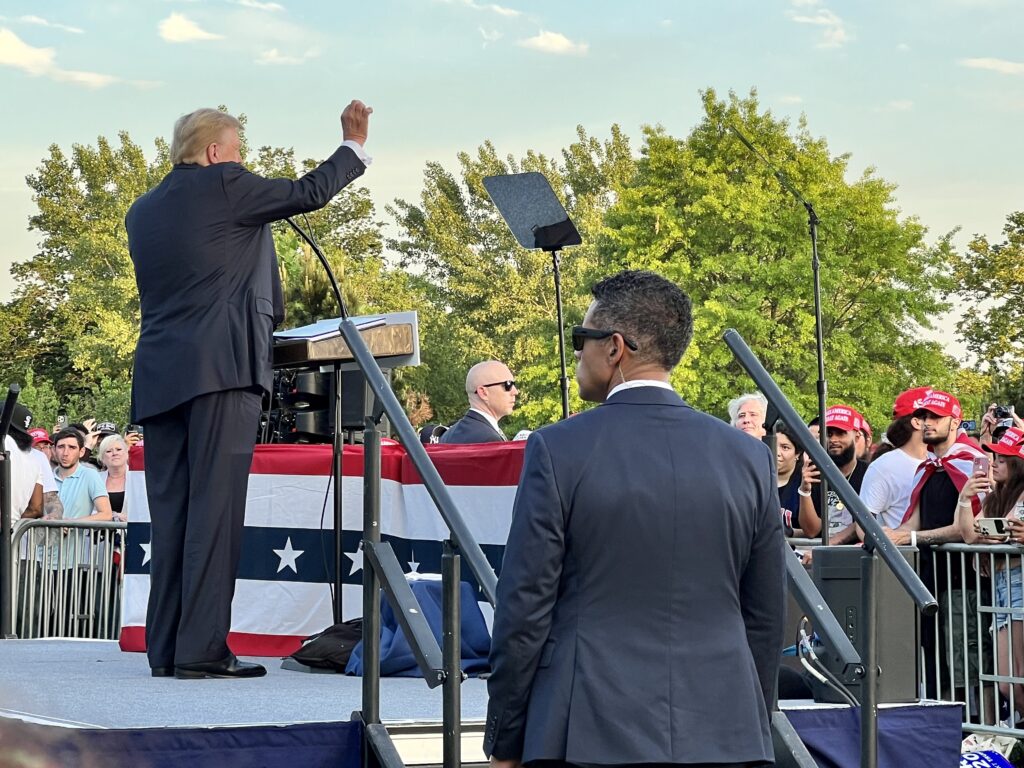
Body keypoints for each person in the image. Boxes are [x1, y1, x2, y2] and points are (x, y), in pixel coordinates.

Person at [484, 270, 785, 768]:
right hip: (726, 727)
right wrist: (752, 718)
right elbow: (765, 611)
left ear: (615, 347)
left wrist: (506, 737)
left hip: (585, 729)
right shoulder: (747, 457)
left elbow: (524, 607)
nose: (576, 353)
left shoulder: (557, 449)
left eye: (581, 339)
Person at [125, 100, 372, 680]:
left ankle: (168, 650)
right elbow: (308, 192)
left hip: (161, 377)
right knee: (214, 514)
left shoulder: (143, 210)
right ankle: (204, 651)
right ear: (215, 153)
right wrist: (353, 147)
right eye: (238, 151)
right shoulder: (225, 185)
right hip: (224, 370)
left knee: (174, 518)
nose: (243, 162)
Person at [886, 390, 992, 707]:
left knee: (972, 666)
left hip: (966, 583)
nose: (926, 424)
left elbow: (968, 528)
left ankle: (984, 735)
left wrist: (913, 539)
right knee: (940, 666)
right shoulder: (929, 468)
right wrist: (886, 535)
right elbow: (911, 524)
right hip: (933, 583)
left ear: (955, 421)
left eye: (935, 417)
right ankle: (944, 729)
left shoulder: (972, 464)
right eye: (923, 417)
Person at [959, 427, 1024, 722]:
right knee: (1007, 682)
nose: (994, 462)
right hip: (1000, 584)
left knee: (1017, 679)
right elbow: (970, 535)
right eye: (995, 456)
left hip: (1018, 583)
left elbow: (1001, 531)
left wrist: (993, 533)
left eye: (1003, 458)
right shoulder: (994, 497)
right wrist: (964, 498)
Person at [859, 387, 930, 530]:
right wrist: (888, 549)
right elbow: (863, 526)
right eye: (932, 416)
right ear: (917, 422)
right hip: (902, 551)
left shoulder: (942, 460)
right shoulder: (884, 467)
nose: (938, 421)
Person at [796, 405, 869, 543]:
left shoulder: (869, 473)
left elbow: (868, 521)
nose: (834, 439)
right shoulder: (814, 472)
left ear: (857, 436)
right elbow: (811, 531)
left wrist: (832, 543)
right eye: (829, 434)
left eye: (841, 433)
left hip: (857, 555)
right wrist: (805, 491)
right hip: (820, 556)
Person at [440, 360, 518, 444]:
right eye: (508, 384)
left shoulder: (449, 434)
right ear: (483, 392)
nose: (515, 392)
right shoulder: (489, 439)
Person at [98, 433, 129, 522]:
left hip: (132, 533)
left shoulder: (138, 478)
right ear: (102, 458)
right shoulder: (96, 479)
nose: (114, 453)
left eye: (118, 449)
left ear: (127, 453)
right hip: (99, 533)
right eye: (109, 451)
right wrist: (113, 516)